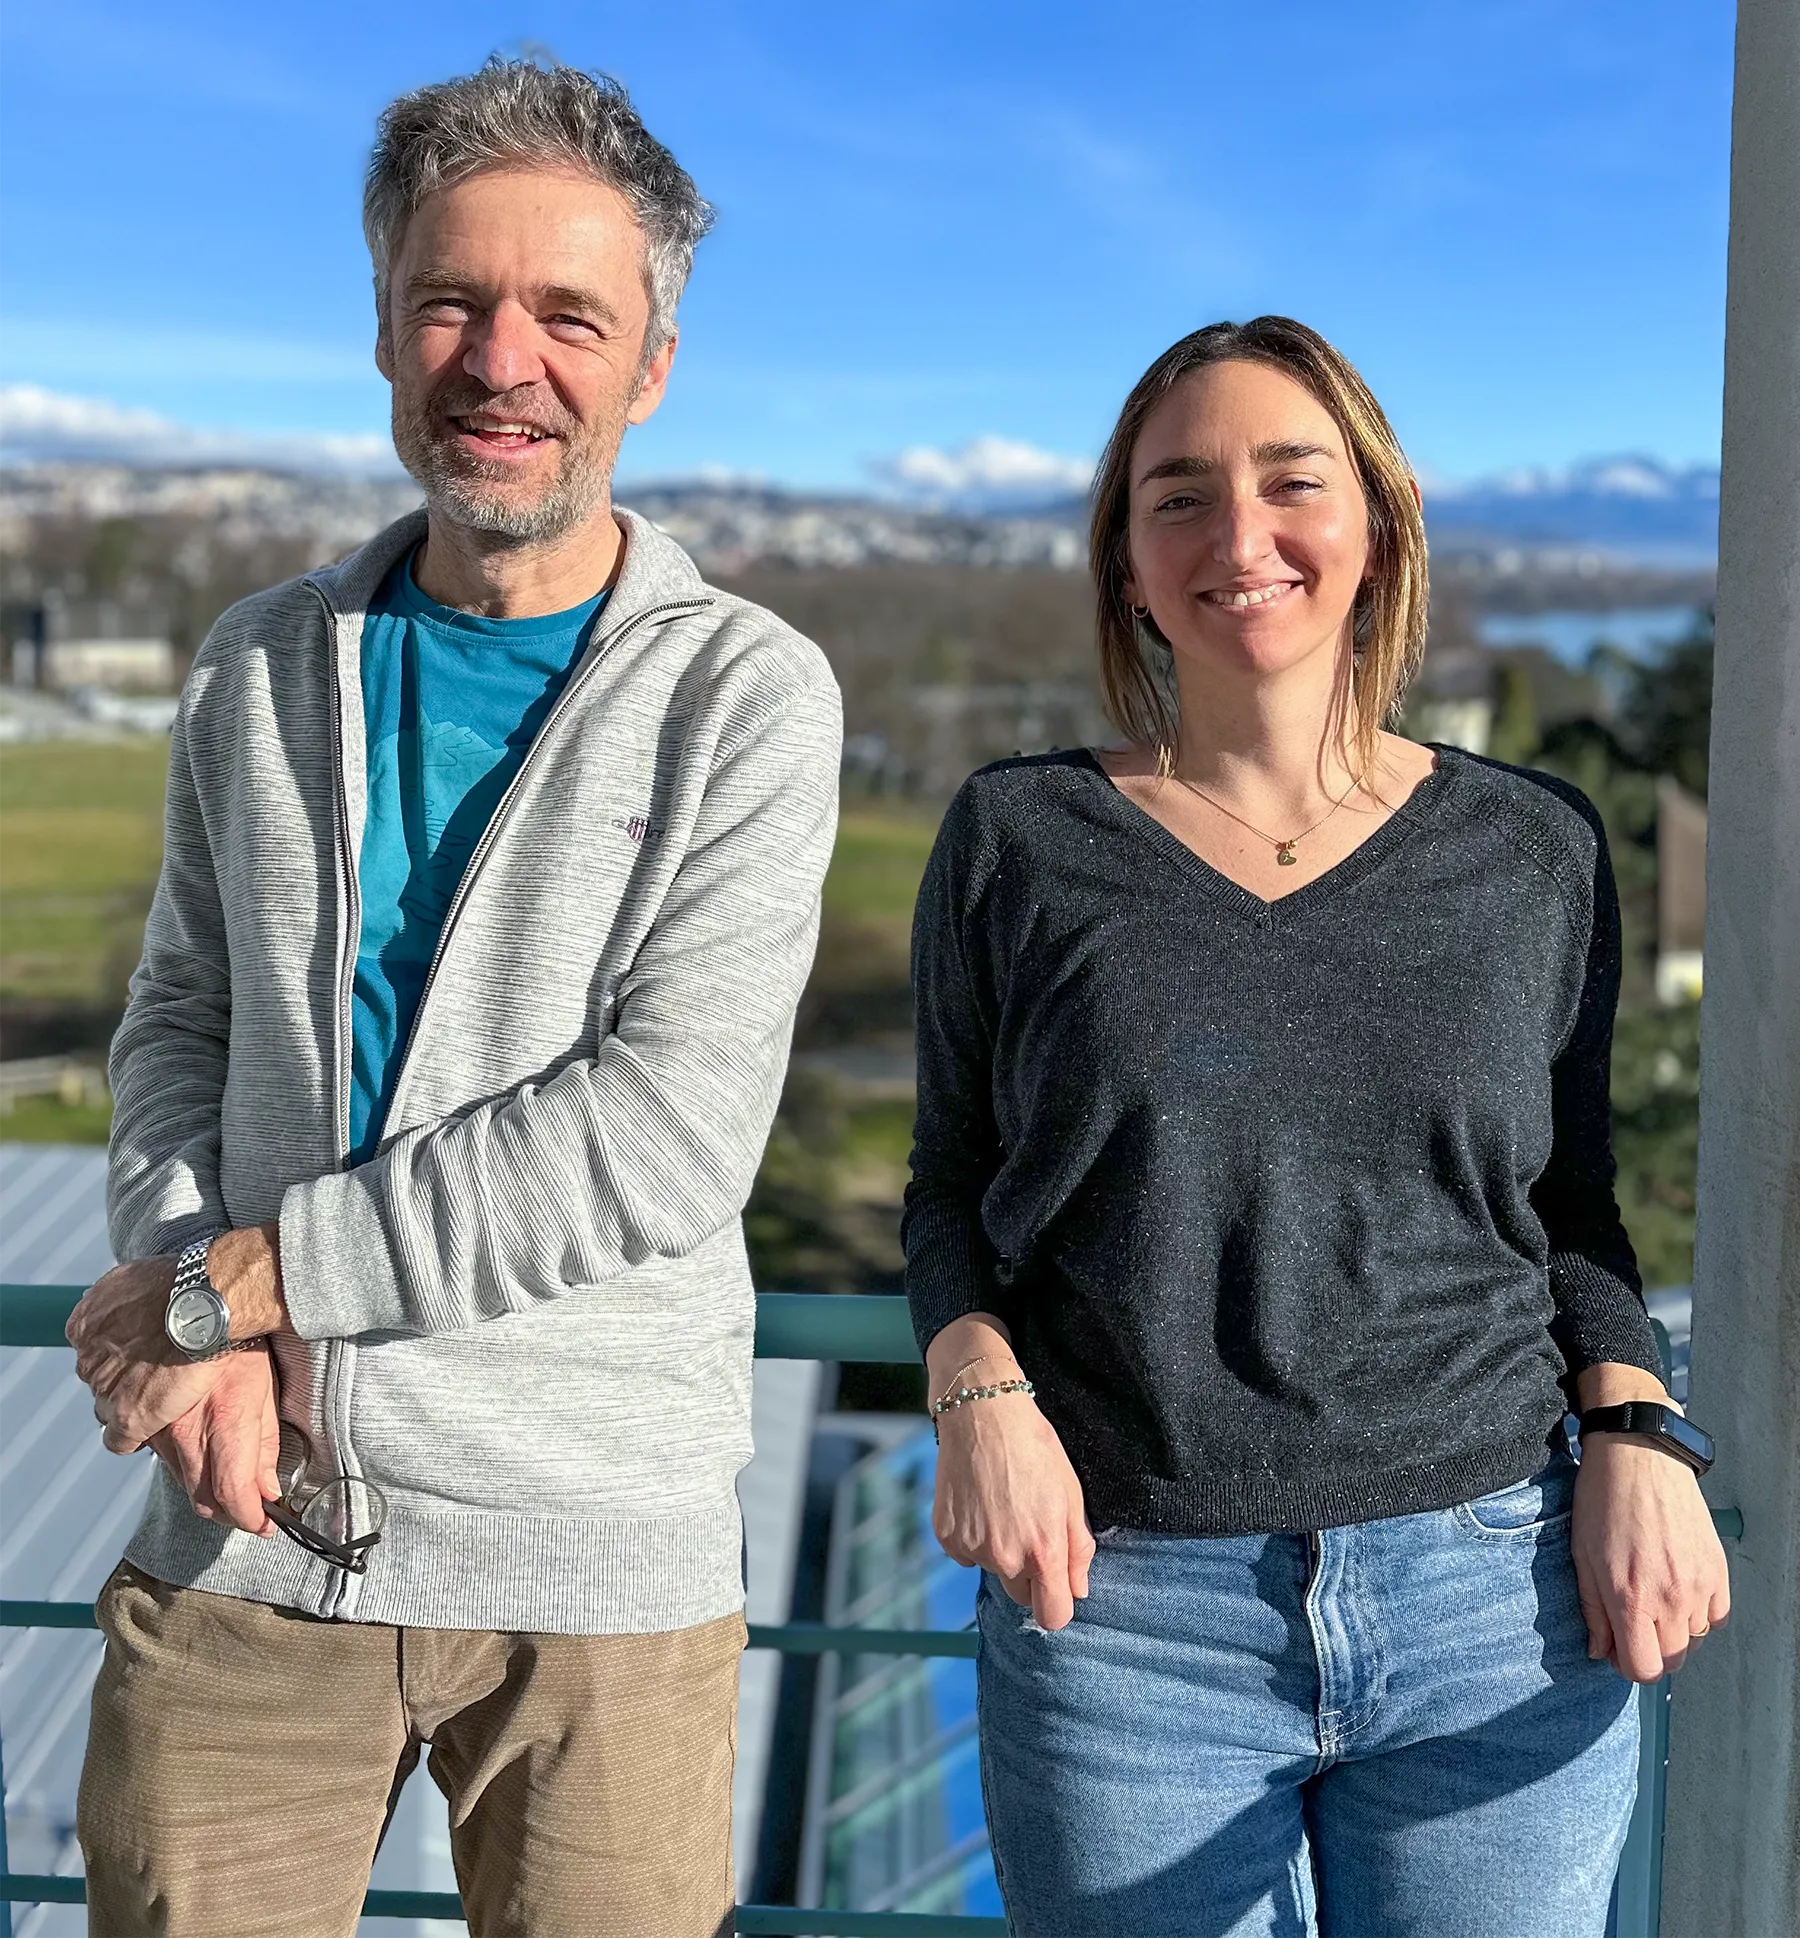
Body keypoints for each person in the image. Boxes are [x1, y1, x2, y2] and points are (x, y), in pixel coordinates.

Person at [63, 58, 840, 1938]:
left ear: (651, 363)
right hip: (244, 1531)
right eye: (451, 302)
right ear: (387, 329)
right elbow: (179, 1022)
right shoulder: (259, 662)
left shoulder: (748, 696)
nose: (503, 361)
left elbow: (661, 1138)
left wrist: (241, 1279)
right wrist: (206, 1330)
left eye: (570, 314)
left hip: (600, 1588)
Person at [903, 315, 1727, 1938]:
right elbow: (951, 1186)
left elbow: (1569, 1207)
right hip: (1125, 1611)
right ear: (1128, 563)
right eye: (1178, 497)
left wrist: (1636, 1431)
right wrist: (976, 1387)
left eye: (1293, 481)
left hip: (1498, 1591)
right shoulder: (1019, 835)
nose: (1241, 536)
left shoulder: (1533, 849)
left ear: (1377, 525)